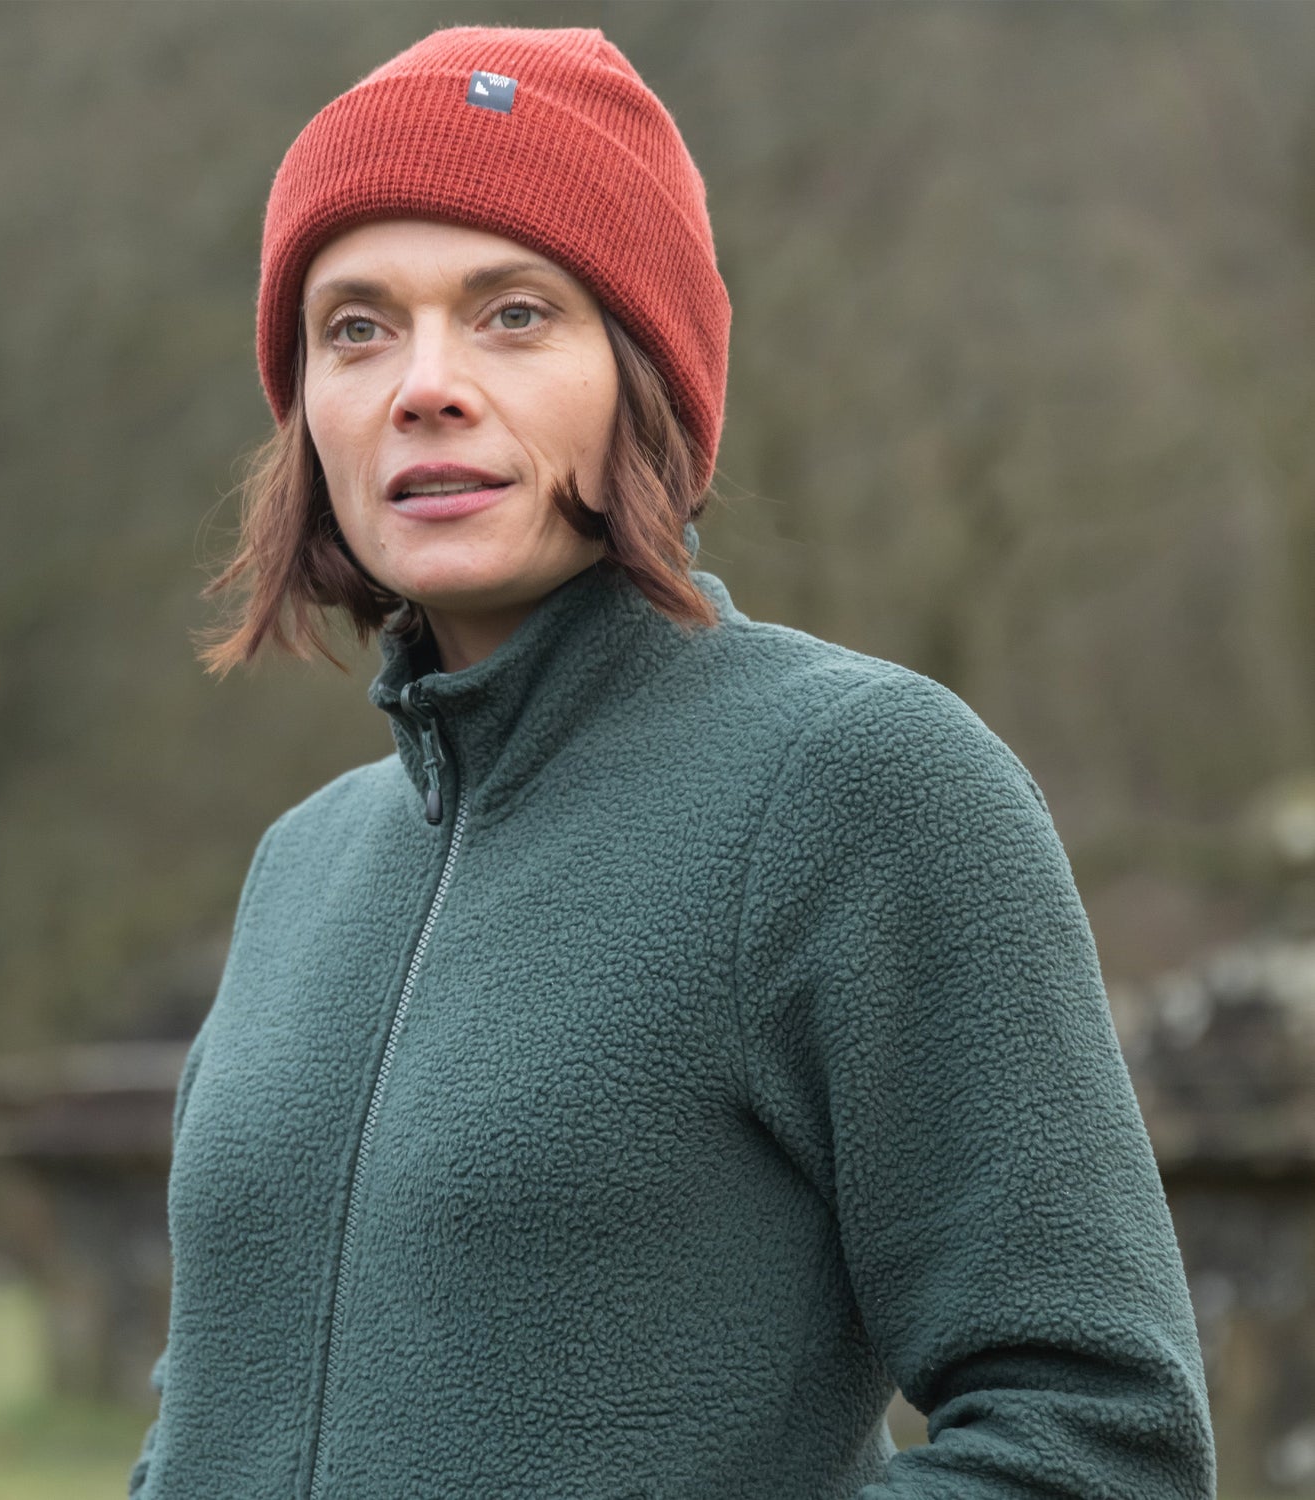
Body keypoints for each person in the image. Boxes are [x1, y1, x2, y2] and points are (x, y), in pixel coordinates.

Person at [129, 24, 1216, 1500]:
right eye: (357, 327)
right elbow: (203, 1425)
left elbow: (1101, 1446)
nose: (424, 384)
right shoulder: (301, 867)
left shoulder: (861, 785)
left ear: (646, 377)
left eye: (514, 314)